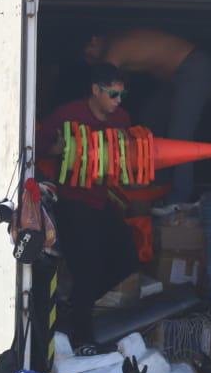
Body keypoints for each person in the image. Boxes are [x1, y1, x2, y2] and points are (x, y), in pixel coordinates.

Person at [37, 63, 139, 354]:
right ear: (96, 90)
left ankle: (73, 306)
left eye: (121, 95)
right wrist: (53, 151)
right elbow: (37, 147)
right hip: (71, 202)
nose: (118, 101)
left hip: (102, 200)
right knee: (88, 269)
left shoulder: (122, 118)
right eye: (113, 94)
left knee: (127, 258)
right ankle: (82, 337)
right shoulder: (67, 115)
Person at [83, 28, 211, 203]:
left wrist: (86, 113)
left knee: (180, 138)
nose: (90, 61)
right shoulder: (120, 45)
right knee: (151, 117)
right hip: (175, 78)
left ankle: (179, 198)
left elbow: (105, 85)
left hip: (193, 68)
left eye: (89, 55)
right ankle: (160, 182)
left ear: (94, 40)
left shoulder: (114, 48)